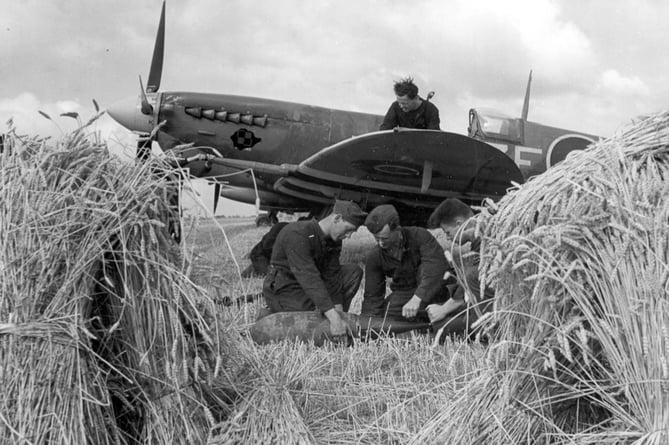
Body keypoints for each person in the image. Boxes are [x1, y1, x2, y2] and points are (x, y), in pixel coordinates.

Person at [261, 200, 368, 338]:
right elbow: (309, 278)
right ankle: (268, 314)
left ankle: (330, 317)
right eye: (348, 229)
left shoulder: (334, 240)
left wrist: (339, 315)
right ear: (337, 218)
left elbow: (333, 277)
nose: (349, 236)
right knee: (307, 319)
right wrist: (334, 319)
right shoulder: (297, 233)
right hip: (286, 287)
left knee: (352, 272)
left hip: (310, 284)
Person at [361, 204, 450, 322]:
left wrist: (418, 298)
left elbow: (436, 267)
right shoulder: (375, 256)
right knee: (384, 314)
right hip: (405, 292)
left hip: (433, 289)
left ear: (397, 229)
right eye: (377, 239)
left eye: (385, 238)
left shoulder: (420, 235)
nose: (381, 243)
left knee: (427, 270)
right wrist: (368, 323)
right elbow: (372, 297)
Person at [425, 198, 495, 337]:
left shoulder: (488, 246)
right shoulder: (481, 241)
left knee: (439, 328)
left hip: (491, 319)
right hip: (483, 311)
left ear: (459, 223)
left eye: (448, 232)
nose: (447, 238)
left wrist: (444, 309)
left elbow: (472, 283)